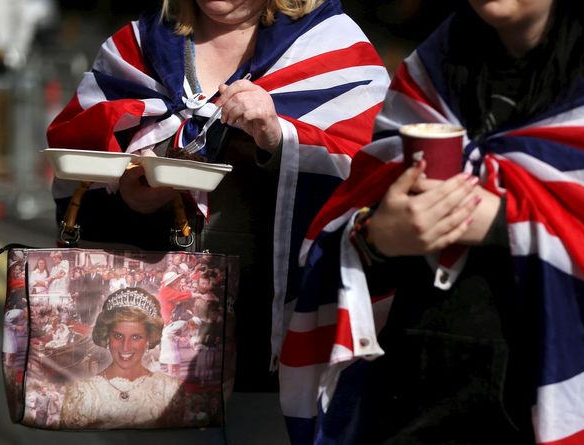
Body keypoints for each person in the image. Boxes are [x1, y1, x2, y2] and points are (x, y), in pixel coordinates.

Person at [280, 0, 584, 444]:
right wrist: (379, 237)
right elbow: (357, 217)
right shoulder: (432, 70)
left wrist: (499, 223)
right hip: (423, 398)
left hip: (575, 396)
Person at [46, 0, 389, 400]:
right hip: (141, 367)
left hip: (270, 357)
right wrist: (130, 196)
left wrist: (278, 138)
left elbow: (372, 180)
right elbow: (76, 163)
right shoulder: (135, 47)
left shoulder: (335, 49)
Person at [59, 287, 184, 429]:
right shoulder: (80, 392)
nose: (126, 347)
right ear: (107, 337)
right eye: (118, 336)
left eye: (136, 337)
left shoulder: (170, 390)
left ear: (148, 340)